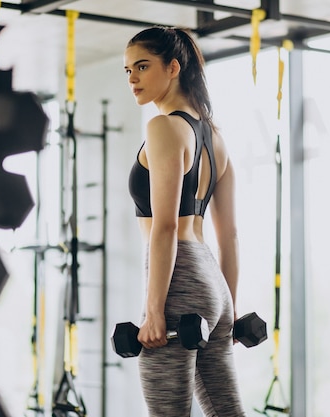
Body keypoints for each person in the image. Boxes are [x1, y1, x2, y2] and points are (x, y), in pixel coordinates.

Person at [124, 26, 246, 417]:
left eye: (142, 66)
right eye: (127, 70)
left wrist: (155, 310)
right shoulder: (215, 137)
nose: (133, 79)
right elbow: (229, 237)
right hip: (214, 285)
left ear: (173, 67)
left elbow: (165, 227)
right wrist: (228, 311)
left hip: (179, 282)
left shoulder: (164, 127)